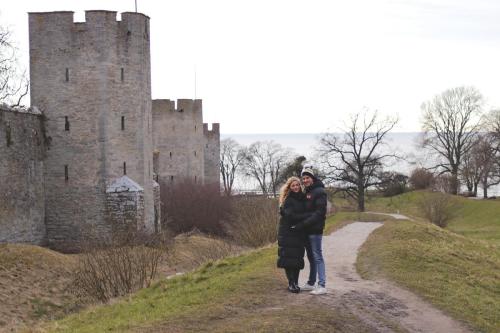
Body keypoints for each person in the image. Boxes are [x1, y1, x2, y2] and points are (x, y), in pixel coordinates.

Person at [293, 166, 328, 295]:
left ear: (312, 178)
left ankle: (322, 285)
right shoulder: (307, 192)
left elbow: (319, 213)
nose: (305, 180)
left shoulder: (319, 191)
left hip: (315, 230)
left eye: (307, 177)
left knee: (317, 256)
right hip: (307, 230)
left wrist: (303, 223)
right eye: (304, 178)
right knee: (311, 257)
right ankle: (311, 283)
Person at [277, 176, 311, 293]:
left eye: (297, 185)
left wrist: (304, 219)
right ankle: (291, 283)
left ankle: (296, 283)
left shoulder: (303, 198)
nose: (296, 187)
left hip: (298, 231)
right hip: (287, 231)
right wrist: (306, 216)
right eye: (293, 186)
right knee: (288, 258)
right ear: (289, 187)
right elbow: (290, 216)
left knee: (297, 258)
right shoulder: (288, 199)